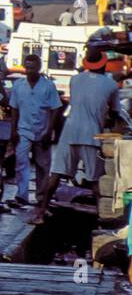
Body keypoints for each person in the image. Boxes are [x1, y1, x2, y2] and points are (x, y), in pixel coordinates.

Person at [36, 47, 131, 219]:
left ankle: (41, 212)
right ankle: (102, 216)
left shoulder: (75, 80)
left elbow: (84, 100)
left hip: (70, 131)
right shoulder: (110, 84)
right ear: (103, 65)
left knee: (56, 175)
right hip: (91, 134)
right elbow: (116, 112)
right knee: (95, 179)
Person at [7, 54, 63, 208]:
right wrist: (13, 131)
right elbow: (14, 109)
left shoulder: (48, 86)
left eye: (33, 68)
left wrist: (50, 131)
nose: (30, 71)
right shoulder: (18, 85)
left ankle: (41, 196)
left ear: (39, 68)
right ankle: (21, 195)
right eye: (27, 68)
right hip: (23, 130)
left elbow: (55, 109)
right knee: (21, 163)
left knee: (43, 166)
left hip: (43, 131)